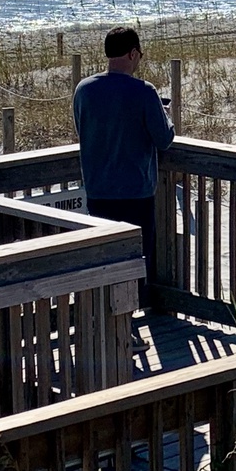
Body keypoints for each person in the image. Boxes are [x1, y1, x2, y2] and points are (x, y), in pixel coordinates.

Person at [73, 26, 175, 303]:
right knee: (135, 260)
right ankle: (128, 324)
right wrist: (166, 115)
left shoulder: (84, 89)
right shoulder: (143, 91)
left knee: (104, 259)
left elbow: (82, 130)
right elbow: (163, 139)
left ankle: (106, 321)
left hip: (97, 190)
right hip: (135, 191)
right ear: (132, 53)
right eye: (139, 54)